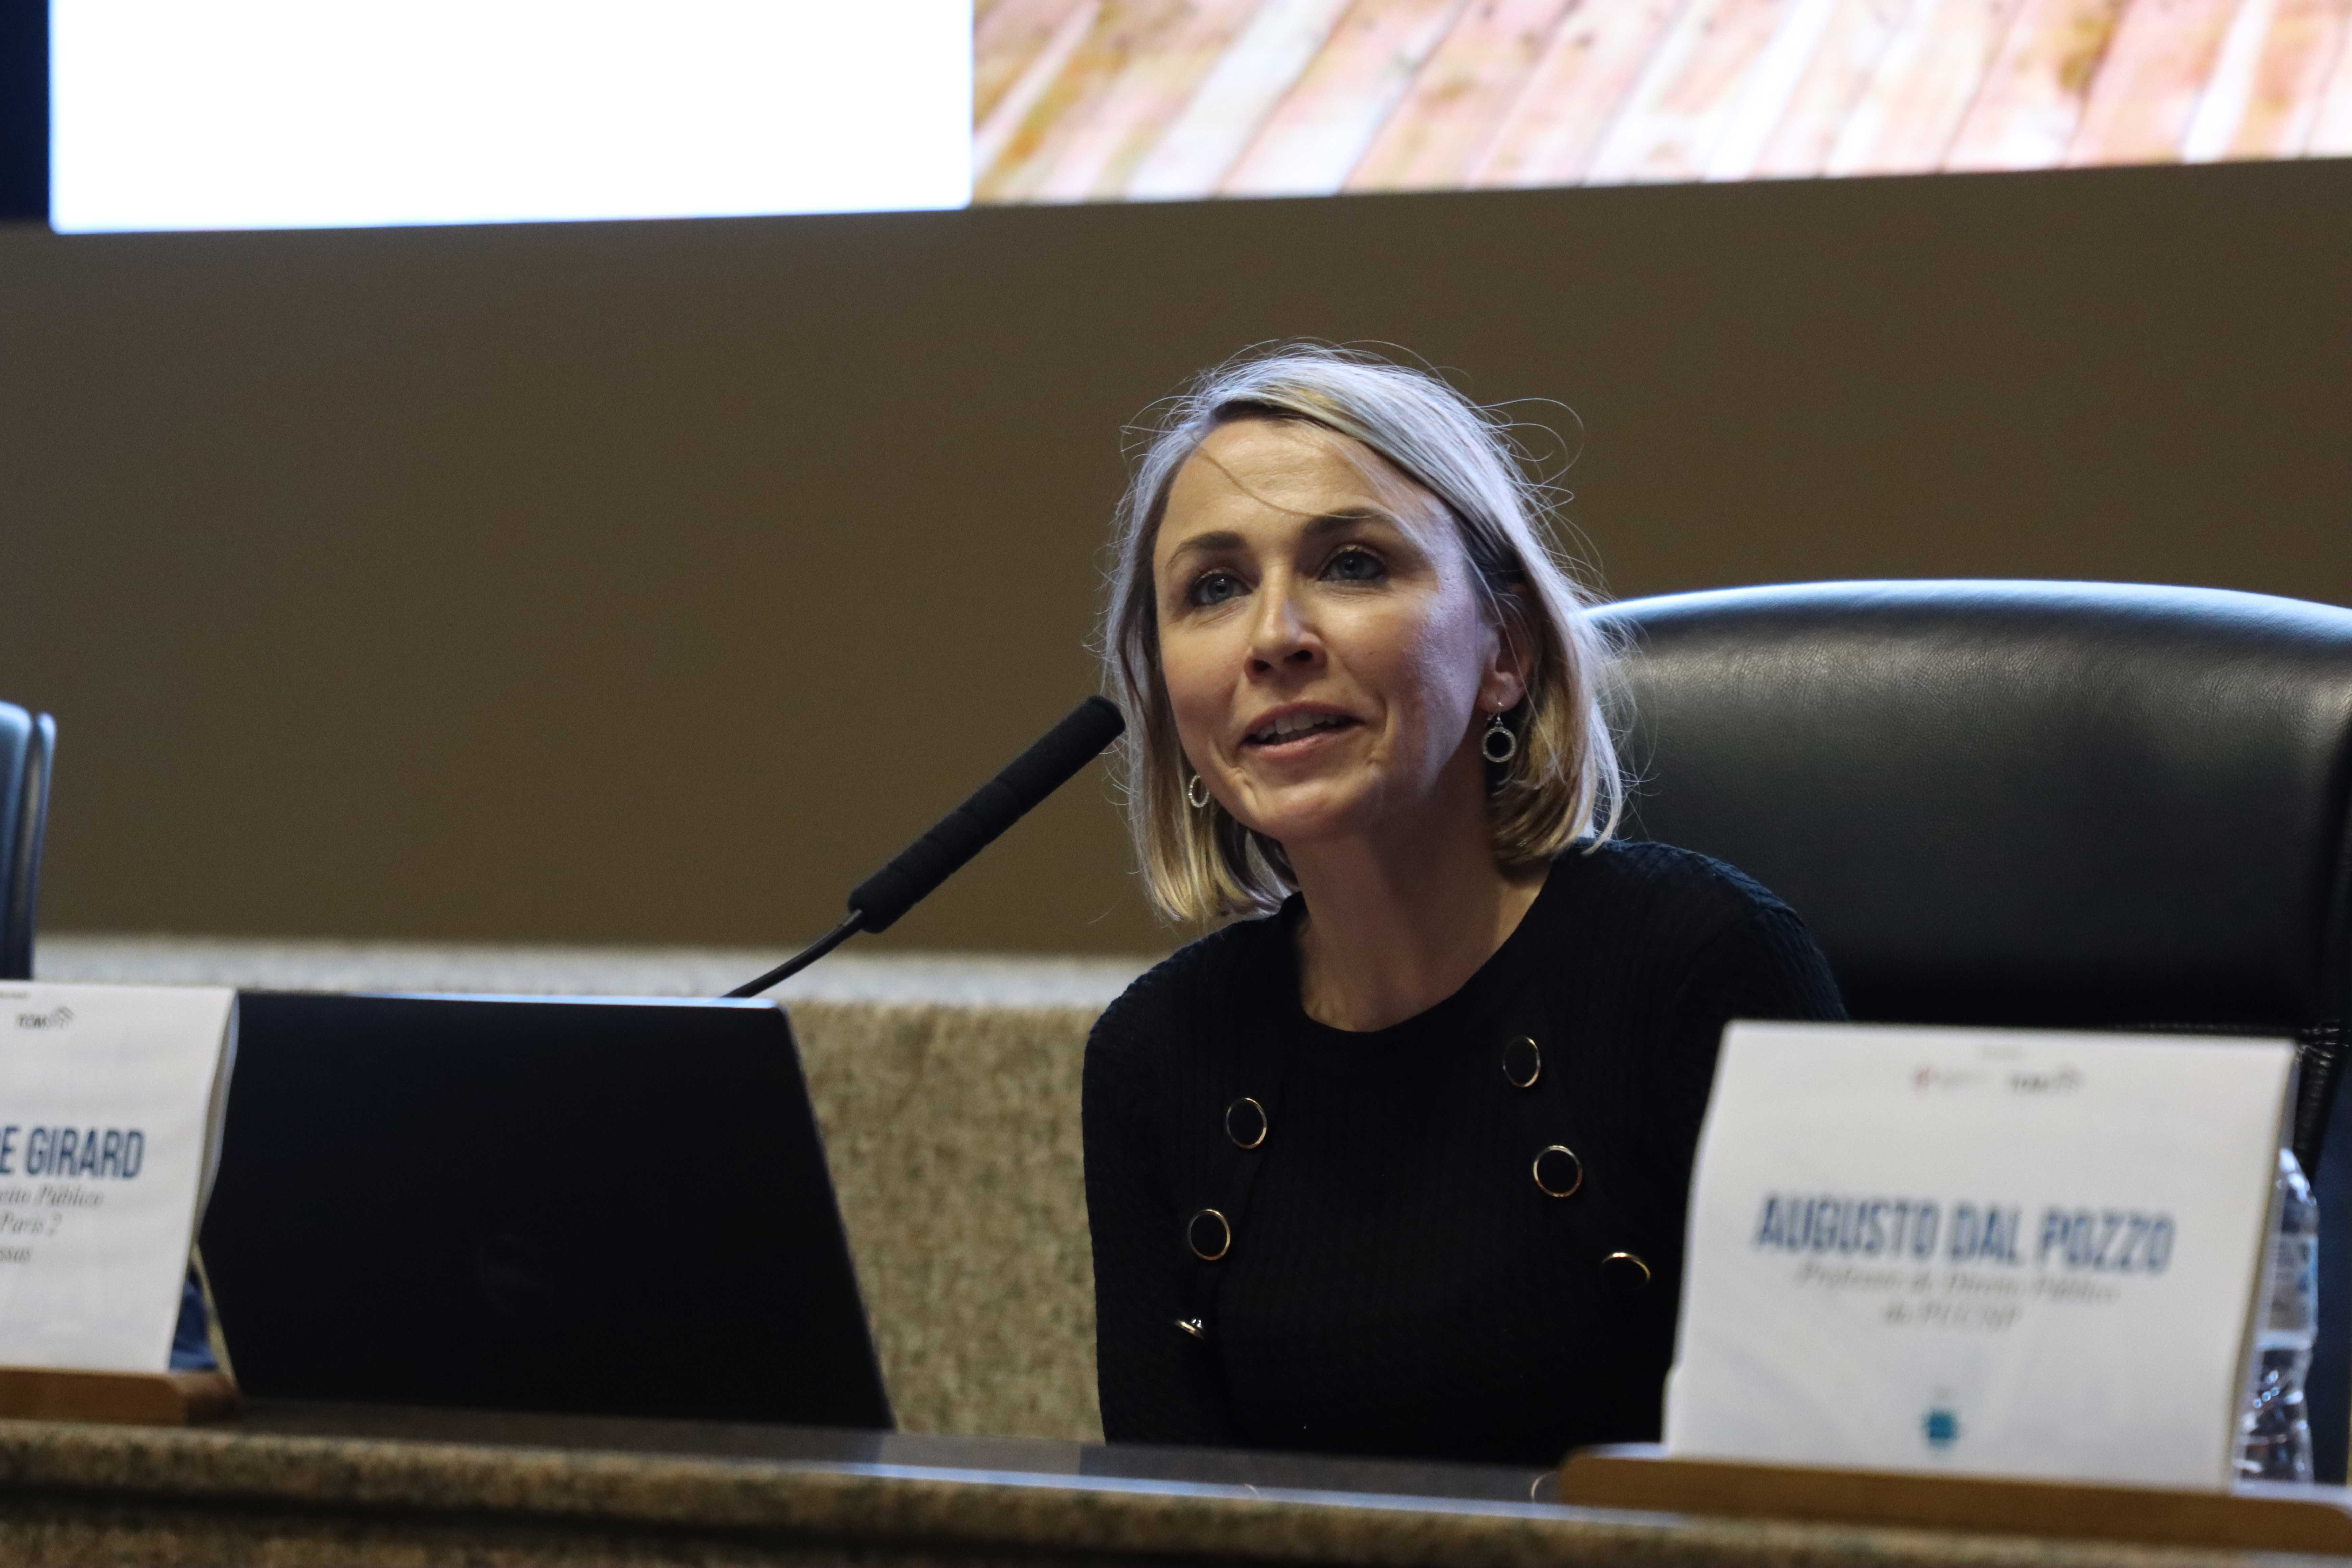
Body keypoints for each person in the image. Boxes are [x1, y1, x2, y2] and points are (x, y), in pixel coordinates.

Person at [1083, 344, 1845, 1465]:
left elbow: (1836, 1480)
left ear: (1507, 649)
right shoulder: (1159, 1054)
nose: (1275, 637)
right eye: (1215, 588)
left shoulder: (1700, 965)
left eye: (1351, 564)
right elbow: (1161, 1519)